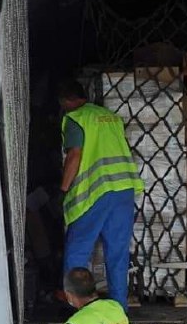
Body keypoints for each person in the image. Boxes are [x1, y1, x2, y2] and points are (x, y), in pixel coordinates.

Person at [58, 80, 143, 309]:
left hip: (96, 193)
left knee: (78, 251)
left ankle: (76, 307)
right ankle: (119, 308)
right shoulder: (111, 117)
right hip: (124, 190)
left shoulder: (76, 119)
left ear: (66, 101)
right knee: (117, 254)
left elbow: (75, 155)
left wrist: (63, 190)